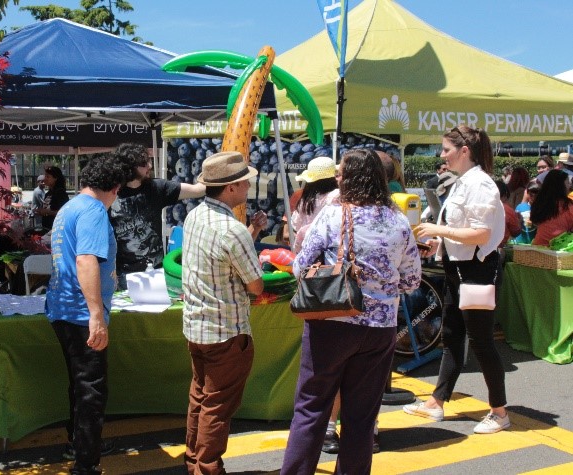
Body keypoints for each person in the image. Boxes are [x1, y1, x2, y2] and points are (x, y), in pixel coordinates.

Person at [281, 148, 421, 475]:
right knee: (361, 418)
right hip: (380, 329)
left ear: (353, 178)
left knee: (311, 409)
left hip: (332, 323)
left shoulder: (333, 215)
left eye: (342, 173)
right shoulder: (399, 221)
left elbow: (300, 267)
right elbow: (413, 279)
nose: (337, 178)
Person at [404, 125, 509, 435]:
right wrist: (441, 243)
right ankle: (437, 402)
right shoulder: (466, 182)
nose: (442, 155)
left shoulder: (480, 184)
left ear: (465, 151)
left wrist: (441, 233)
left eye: (446, 149)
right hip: (459, 269)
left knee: (481, 341)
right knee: (451, 335)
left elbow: (481, 234)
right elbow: (466, 233)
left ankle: (500, 411)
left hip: (477, 272)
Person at [181, 151, 266, 475]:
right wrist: (251, 234)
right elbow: (255, 285)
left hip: (198, 328)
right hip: (226, 332)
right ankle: (207, 467)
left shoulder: (195, 217)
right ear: (230, 187)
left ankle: (194, 462)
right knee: (217, 407)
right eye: (244, 181)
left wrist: (252, 232)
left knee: (201, 399)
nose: (247, 185)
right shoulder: (233, 230)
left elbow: (221, 261)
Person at [45, 154, 127, 475]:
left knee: (79, 385)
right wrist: (96, 314)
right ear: (114, 188)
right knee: (92, 390)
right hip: (81, 314)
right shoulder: (93, 211)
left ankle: (78, 443)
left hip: (63, 309)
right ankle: (86, 465)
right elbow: (86, 261)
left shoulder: (69, 207)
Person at [109, 143, 205, 289]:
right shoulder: (111, 193)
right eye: (143, 163)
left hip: (154, 273)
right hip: (123, 277)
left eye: (148, 160)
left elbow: (198, 190)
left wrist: (218, 170)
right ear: (129, 167)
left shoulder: (157, 188)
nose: (149, 165)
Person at [290, 156, 339, 254]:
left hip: (306, 252)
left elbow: (296, 226)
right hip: (330, 253)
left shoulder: (305, 200)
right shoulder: (337, 196)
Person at [530, 169, 573, 247]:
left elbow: (535, 221)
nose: (569, 186)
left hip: (538, 245)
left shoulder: (539, 201)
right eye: (567, 183)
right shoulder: (568, 205)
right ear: (560, 186)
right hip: (559, 248)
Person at [37, 166, 70, 233]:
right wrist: (41, 211)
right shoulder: (48, 193)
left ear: (55, 178)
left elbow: (65, 213)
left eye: (48, 176)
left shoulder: (61, 193)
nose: (45, 179)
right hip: (46, 229)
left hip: (56, 231)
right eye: (45, 176)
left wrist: (47, 212)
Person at [495, 180, 521, 247]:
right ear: (504, 195)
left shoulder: (480, 206)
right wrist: (519, 221)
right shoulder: (507, 210)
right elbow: (515, 232)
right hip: (499, 248)